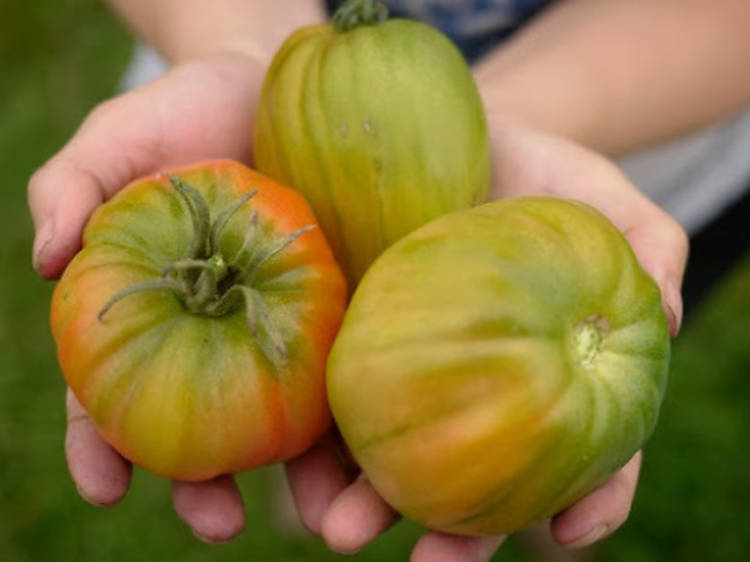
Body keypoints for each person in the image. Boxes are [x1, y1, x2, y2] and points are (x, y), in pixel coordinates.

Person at [27, 1, 750, 560]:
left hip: (646, 116)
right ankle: (340, 452)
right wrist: (243, 48)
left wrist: (506, 120)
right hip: (284, 97)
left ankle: (512, 489)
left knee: (556, 432)